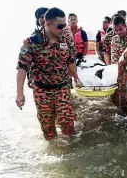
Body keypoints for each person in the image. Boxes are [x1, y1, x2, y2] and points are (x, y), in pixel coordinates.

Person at [16, 7, 83, 140]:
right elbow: (22, 67)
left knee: (68, 123)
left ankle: (71, 150)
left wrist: (76, 78)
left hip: (62, 87)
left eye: (65, 25)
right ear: (47, 24)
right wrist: (20, 93)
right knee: (48, 127)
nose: (64, 28)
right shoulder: (32, 42)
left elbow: (70, 61)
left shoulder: (66, 39)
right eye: (60, 26)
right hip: (42, 90)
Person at [27, 7, 49, 88]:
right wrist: (29, 75)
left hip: (60, 84)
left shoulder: (61, 35)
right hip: (40, 83)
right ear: (38, 20)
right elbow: (27, 61)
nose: (44, 19)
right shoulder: (33, 38)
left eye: (46, 16)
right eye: (41, 17)